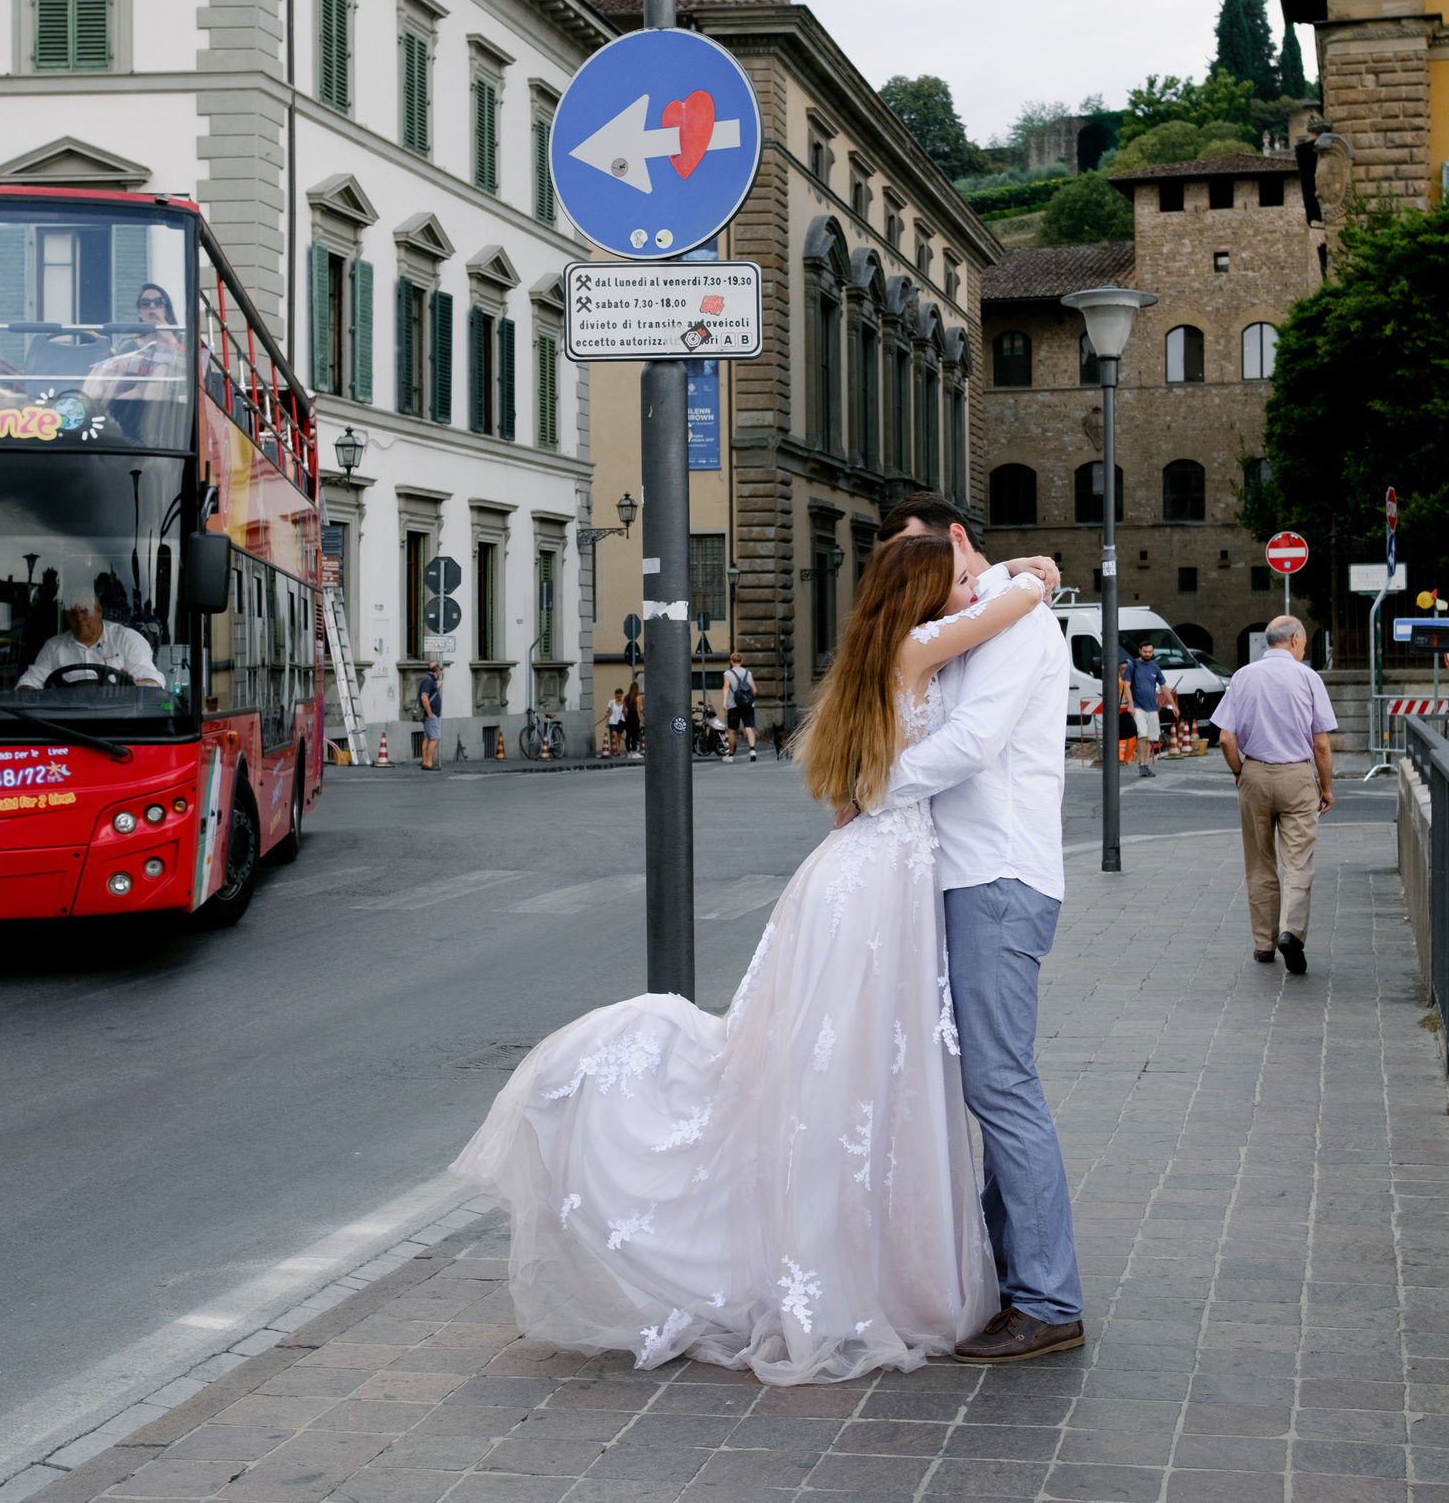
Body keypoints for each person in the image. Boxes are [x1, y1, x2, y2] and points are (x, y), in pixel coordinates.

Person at [454, 532, 1062, 1383]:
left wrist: (1000, 573)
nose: (971, 591)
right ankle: (899, 1268)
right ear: (925, 597)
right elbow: (1004, 621)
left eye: (969, 580)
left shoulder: (881, 645)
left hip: (874, 874)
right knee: (848, 1072)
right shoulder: (924, 643)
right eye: (957, 581)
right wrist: (1031, 577)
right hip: (878, 876)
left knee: (849, 1071)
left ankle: (874, 1254)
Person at [865, 491, 1083, 1363]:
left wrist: (869, 792)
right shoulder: (978, 609)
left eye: (927, 558)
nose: (922, 581)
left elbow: (973, 743)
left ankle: (1048, 1297)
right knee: (984, 1084)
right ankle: (1011, 1280)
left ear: (958, 540)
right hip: (967, 873)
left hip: (998, 872)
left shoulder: (1016, 621)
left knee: (1000, 1082)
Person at [1212, 616, 1339, 975]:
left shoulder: (1242, 677)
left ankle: (1264, 943)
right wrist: (1326, 787)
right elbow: (1321, 743)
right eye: (1304, 641)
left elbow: (1225, 738)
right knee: (1297, 862)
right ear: (1295, 639)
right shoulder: (1308, 678)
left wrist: (1240, 773)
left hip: (1254, 773)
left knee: (1259, 861)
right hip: (1297, 776)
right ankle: (1291, 933)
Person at [16, 587, 163, 690]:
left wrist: (138, 685)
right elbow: (29, 682)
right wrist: (27, 690)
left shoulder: (128, 639)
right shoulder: (53, 647)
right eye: (72, 612)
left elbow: (155, 684)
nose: (79, 618)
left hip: (118, 719)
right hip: (66, 720)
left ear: (99, 611)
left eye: (84, 610)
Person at [1123, 640, 1166, 777]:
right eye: (1145, 651)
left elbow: (1164, 687)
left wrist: (1174, 705)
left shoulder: (1155, 667)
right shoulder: (1133, 665)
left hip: (1152, 707)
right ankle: (1141, 764)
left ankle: (1145, 764)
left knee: (1150, 738)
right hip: (1138, 706)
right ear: (1140, 651)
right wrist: (1130, 704)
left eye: (1150, 652)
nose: (1148, 654)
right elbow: (1126, 685)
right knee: (1142, 735)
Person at [723, 652, 758, 762]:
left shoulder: (728, 673)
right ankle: (752, 750)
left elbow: (726, 687)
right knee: (749, 727)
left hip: (734, 706)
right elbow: (755, 690)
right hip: (748, 705)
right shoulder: (748, 673)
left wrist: (724, 703)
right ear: (741, 661)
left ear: (731, 661)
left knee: (732, 731)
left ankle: (730, 756)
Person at [417, 662, 443, 770]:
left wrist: (437, 686)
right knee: (435, 738)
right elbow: (424, 697)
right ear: (437, 671)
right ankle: (428, 762)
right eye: (440, 669)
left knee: (428, 738)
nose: (440, 671)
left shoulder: (430, 679)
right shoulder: (428, 680)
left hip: (430, 714)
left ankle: (425, 761)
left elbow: (429, 692)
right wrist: (430, 713)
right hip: (431, 714)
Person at [603, 686, 626, 756]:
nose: (618, 696)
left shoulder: (624, 703)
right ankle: (618, 751)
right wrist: (607, 721)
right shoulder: (611, 702)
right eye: (617, 694)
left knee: (619, 738)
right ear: (615, 694)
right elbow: (608, 712)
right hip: (612, 721)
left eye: (620, 694)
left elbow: (625, 712)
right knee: (615, 736)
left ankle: (614, 750)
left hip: (620, 721)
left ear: (621, 695)